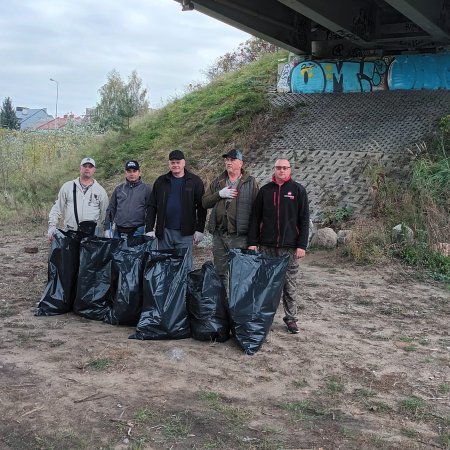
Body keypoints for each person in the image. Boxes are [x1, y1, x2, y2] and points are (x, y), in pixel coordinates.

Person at [248, 158, 309, 334]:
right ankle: (263, 317)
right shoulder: (265, 191)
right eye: (278, 168)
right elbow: (255, 218)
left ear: (290, 170)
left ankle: (291, 319)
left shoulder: (298, 191)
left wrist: (301, 245)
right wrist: (253, 242)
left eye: (285, 168)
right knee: (266, 284)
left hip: (289, 248)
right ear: (274, 170)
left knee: (289, 285)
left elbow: (304, 220)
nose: (281, 170)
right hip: (266, 246)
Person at [202, 149, 259, 288]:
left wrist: (254, 239)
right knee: (220, 273)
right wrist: (219, 194)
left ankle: (237, 306)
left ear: (241, 163)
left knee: (239, 274)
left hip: (240, 236)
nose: (228, 162)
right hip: (220, 234)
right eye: (227, 160)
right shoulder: (218, 181)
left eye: (232, 160)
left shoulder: (250, 183)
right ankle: (223, 306)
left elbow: (258, 211)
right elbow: (205, 202)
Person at [145, 150, 207, 269]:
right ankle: (165, 288)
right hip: (164, 232)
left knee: (184, 267)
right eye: (172, 162)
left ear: (184, 163)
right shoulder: (161, 181)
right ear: (169, 164)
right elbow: (152, 205)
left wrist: (200, 229)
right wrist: (149, 228)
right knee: (164, 266)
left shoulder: (194, 181)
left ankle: (184, 287)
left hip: (185, 233)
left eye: (178, 162)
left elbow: (202, 207)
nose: (175, 165)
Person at [47, 157, 109, 242]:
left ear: (94, 170)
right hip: (70, 233)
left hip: (91, 235)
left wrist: (105, 230)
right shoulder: (68, 187)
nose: (87, 168)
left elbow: (105, 213)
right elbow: (57, 207)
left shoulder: (100, 191)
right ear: (80, 168)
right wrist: (52, 225)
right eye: (85, 166)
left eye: (90, 167)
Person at [103, 160, 152, 238]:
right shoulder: (118, 189)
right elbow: (111, 209)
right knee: (116, 250)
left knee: (135, 250)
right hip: (118, 230)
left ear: (139, 172)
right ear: (125, 173)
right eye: (129, 171)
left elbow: (151, 211)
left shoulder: (146, 189)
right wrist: (107, 228)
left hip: (138, 230)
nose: (131, 173)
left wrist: (150, 229)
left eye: (134, 171)